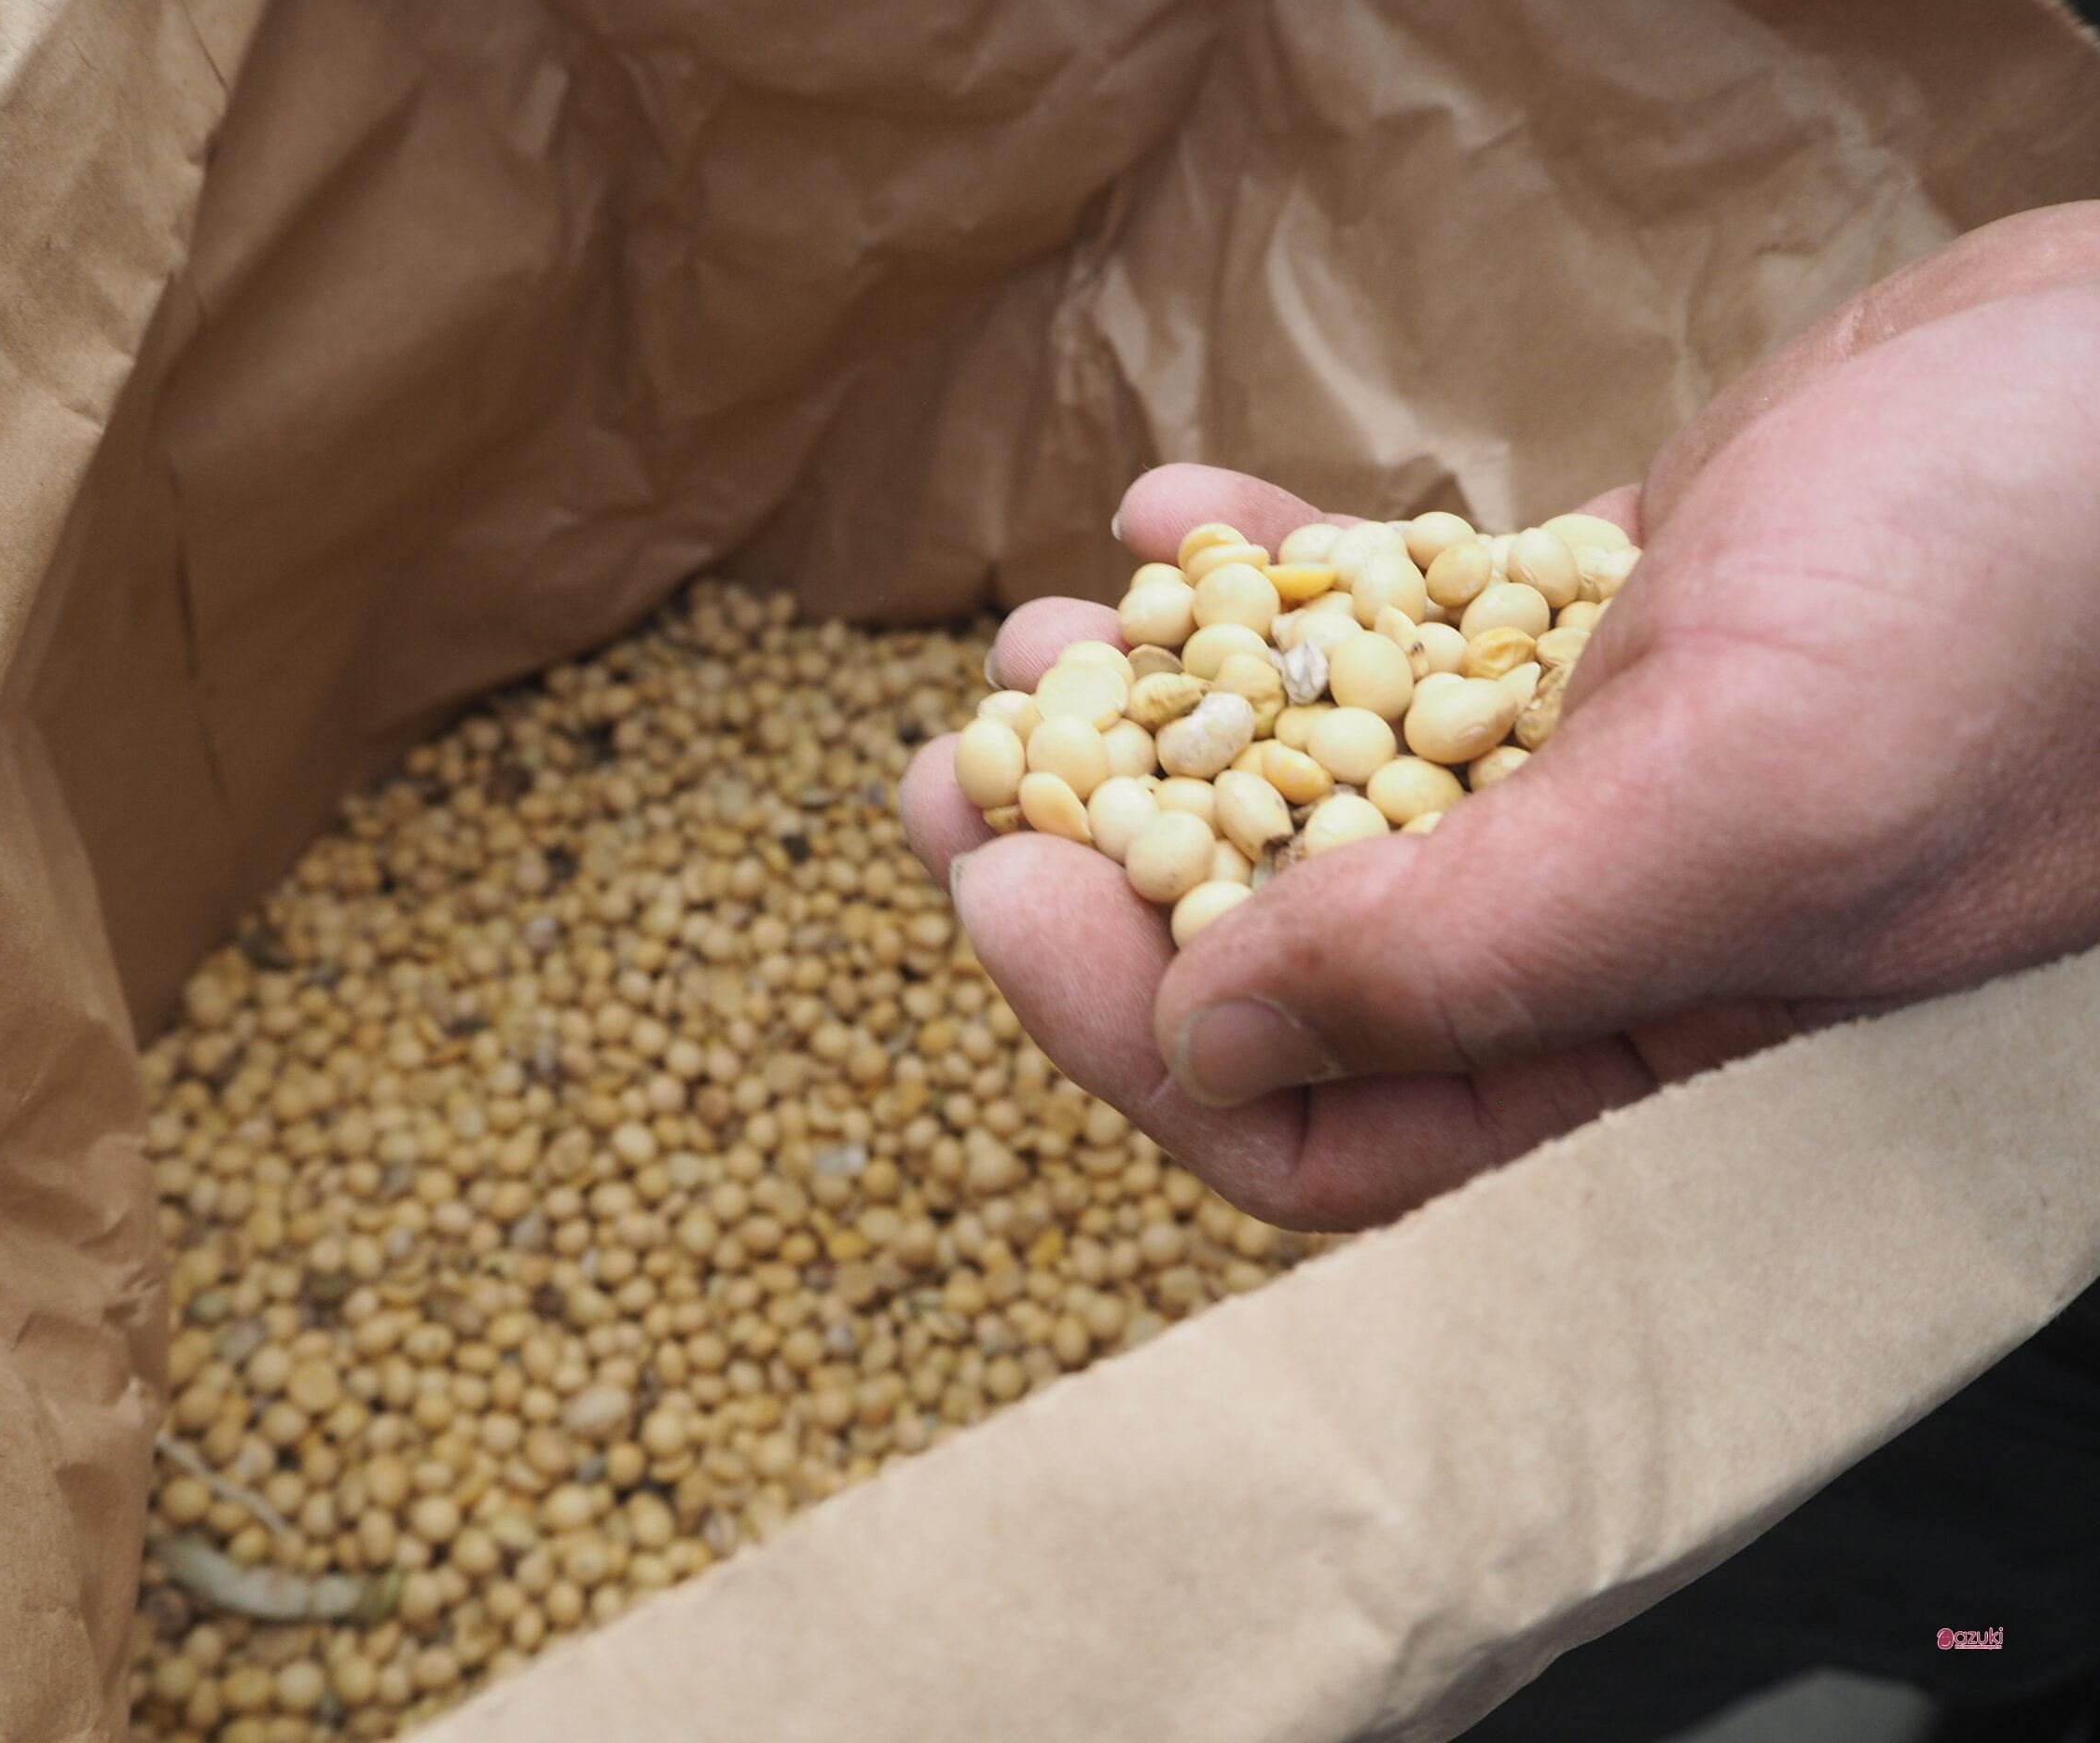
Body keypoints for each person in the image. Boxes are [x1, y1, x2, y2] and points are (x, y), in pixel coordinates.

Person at [898, 201, 2100, 1738]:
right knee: (1850, 1529)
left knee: (1944, 1562)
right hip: (1954, 1159)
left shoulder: (1435, 664)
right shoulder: (1360, 661)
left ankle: (1991, 1672)